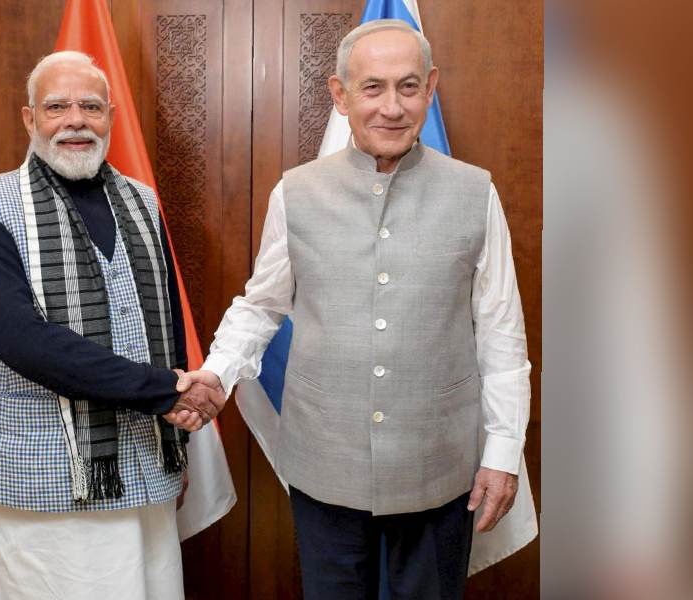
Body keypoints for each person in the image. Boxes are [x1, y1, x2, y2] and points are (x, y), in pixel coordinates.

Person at [174, 20, 532, 599]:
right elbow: (261, 306)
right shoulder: (296, 192)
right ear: (340, 95)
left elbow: (501, 333)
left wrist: (503, 454)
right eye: (372, 88)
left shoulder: (475, 192)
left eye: (408, 87)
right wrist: (217, 373)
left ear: (430, 88)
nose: (392, 107)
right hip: (324, 461)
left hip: (439, 463)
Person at [0, 50, 222, 600]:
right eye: (56, 107)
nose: (75, 120)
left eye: (91, 107)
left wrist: (176, 431)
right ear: (30, 118)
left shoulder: (142, 200)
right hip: (40, 479)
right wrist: (165, 389)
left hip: (145, 466)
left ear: (110, 117)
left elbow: (165, 323)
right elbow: (20, 340)